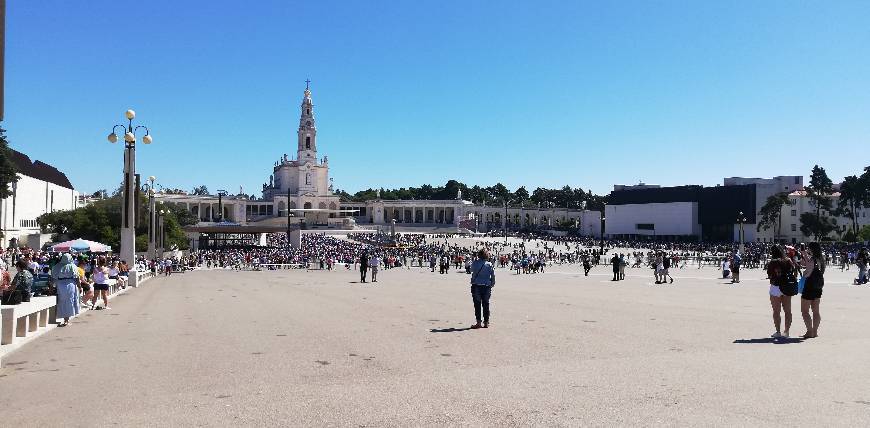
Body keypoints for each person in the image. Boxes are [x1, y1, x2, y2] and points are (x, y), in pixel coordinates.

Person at [766, 245, 794, 339]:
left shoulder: (772, 262)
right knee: (788, 311)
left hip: (775, 287)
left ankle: (778, 331)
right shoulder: (788, 260)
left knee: (776, 311)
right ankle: (787, 331)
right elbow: (793, 271)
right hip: (787, 286)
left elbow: (769, 275)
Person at [800, 242, 825, 338]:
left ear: (811, 249)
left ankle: (809, 331)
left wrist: (804, 274)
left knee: (805, 311)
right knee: (816, 311)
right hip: (818, 286)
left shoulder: (812, 259)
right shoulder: (821, 259)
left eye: (809, 248)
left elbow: (808, 272)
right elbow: (809, 263)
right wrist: (804, 254)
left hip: (809, 285)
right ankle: (815, 332)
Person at [469, 249, 495, 329]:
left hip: (476, 284)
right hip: (486, 286)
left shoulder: (475, 263)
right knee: (486, 304)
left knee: (477, 304)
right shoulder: (489, 264)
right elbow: (493, 276)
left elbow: (471, 270)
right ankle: (486, 322)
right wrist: (492, 283)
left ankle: (478, 322)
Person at [52, 254, 81, 327]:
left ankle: (64, 318)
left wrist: (51, 287)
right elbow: (77, 278)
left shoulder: (57, 266)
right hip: (70, 284)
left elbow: (54, 278)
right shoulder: (73, 266)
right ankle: (66, 319)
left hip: (60, 284)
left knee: (61, 301)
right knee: (70, 301)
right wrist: (79, 286)